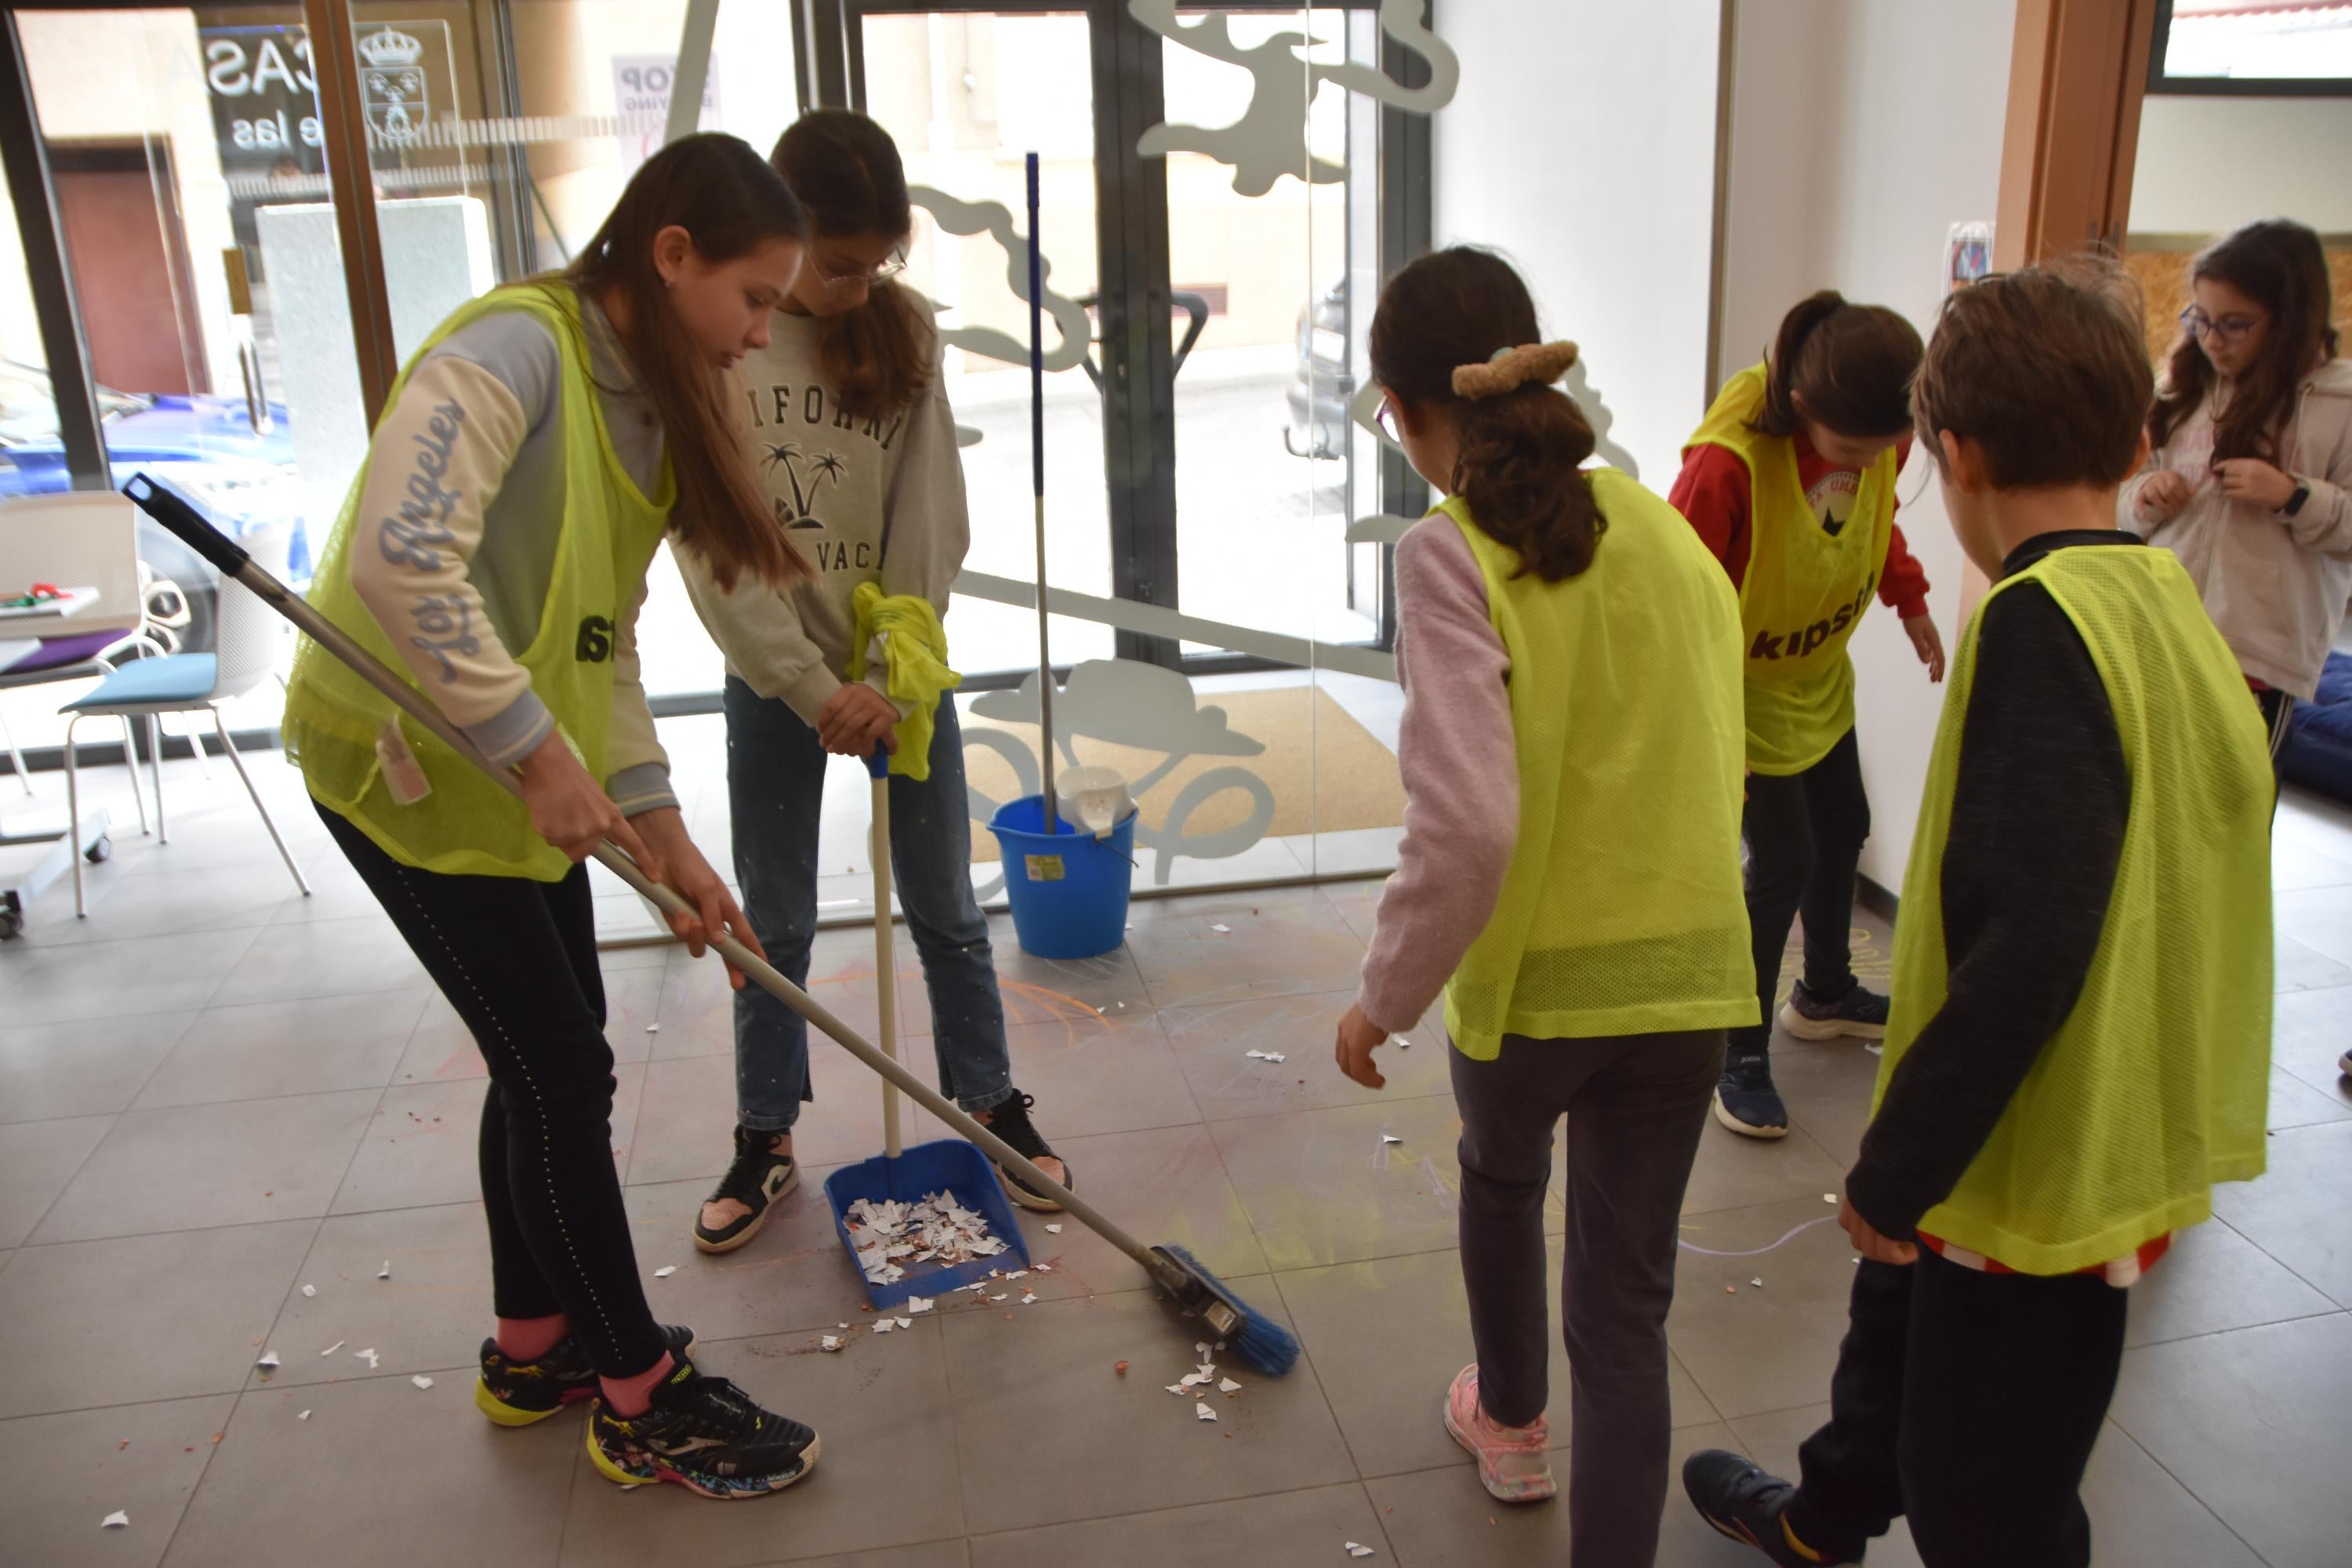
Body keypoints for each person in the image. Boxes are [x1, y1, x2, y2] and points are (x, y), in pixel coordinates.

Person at [1682, 262, 2275, 1568]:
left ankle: (1877, 1508)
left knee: (1989, 1496)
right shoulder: (2158, 598)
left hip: (2040, 1150)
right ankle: (1828, 1516)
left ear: (1949, 453)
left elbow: (2035, 942)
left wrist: (1898, 1163)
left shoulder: (2037, 625)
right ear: (2132, 444)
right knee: (1900, 1315)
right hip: (2099, 1118)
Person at [281, 133, 822, 1499]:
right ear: (672, 254)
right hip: (402, 764)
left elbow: (602, 642)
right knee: (564, 1071)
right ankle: (640, 1395)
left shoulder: (645, 402)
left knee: (541, 1060)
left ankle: (534, 1351)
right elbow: (399, 563)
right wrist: (529, 748)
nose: (765, 335)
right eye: (754, 299)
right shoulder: (516, 350)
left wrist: (665, 834)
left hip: (507, 777)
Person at [1332, 247, 1755, 1567]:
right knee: (1625, 1318)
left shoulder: (1448, 553)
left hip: (1534, 993)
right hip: (1692, 977)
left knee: (1503, 1183)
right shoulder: (1664, 526)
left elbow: (1468, 826)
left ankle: (1511, 1425)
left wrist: (1381, 998)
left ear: (1405, 414)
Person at [679, 109, 1070, 1255]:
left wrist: (895, 675)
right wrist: (809, 688)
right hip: (774, 681)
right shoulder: (725, 348)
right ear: (784, 238)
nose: (859, 285)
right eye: (840, 265)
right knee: (777, 920)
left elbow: (927, 520)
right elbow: (714, 550)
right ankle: (764, 1134)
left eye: (878, 263)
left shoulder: (904, 336)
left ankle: (990, 1101)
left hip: (900, 679)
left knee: (947, 906)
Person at [1671, 292, 1946, 1141]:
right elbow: (1679, 600)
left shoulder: (1878, 442)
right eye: (1855, 449)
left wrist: (1912, 604)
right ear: (1801, 408)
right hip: (1741, 692)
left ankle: (1823, 991)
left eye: (1885, 450)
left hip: (1818, 677)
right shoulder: (1727, 467)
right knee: (1780, 858)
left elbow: (1876, 524)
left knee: (1844, 824)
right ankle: (1737, 1047)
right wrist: (1710, 729)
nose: (1871, 465)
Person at [2122, 217, 2352, 762]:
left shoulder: (2339, 402)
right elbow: (2117, 499)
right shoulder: (2180, 389)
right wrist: (2144, 495)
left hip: (2257, 655)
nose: (2211, 340)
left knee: (2231, 817)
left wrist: (2292, 496)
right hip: (2163, 635)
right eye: (2200, 319)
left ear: (2290, 321)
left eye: (2234, 324)